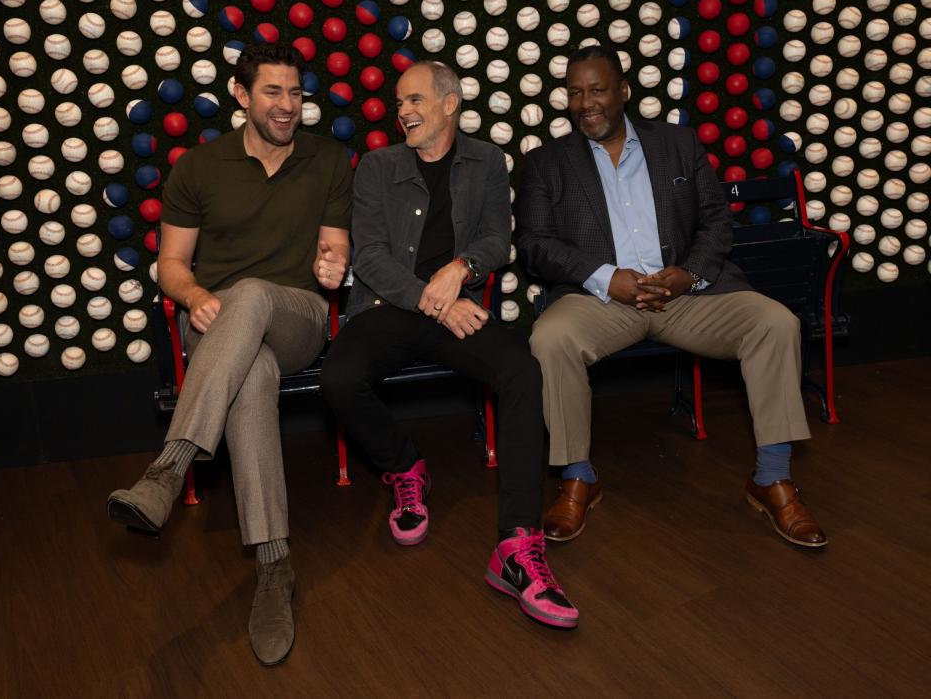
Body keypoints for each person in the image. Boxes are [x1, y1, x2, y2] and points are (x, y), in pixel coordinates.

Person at [516, 43, 827, 550]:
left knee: (776, 323)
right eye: (574, 93)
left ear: (624, 91)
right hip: (600, 301)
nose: (585, 103)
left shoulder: (678, 145)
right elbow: (533, 244)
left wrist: (688, 274)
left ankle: (772, 477)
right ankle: (578, 476)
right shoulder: (548, 163)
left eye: (597, 90)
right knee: (550, 338)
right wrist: (603, 275)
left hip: (687, 297)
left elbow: (715, 221)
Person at [107, 43, 353, 665]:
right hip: (218, 325)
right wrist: (192, 297)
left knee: (251, 296)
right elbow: (170, 265)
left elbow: (333, 251)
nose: (288, 106)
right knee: (252, 375)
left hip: (296, 314)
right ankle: (274, 565)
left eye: (296, 93)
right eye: (273, 92)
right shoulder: (198, 168)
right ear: (242, 96)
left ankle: (167, 470)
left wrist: (333, 263)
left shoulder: (327, 160)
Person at [319, 61, 579, 628]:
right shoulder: (377, 168)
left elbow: (497, 239)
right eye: (399, 103)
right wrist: (432, 297)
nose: (403, 111)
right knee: (338, 378)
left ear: (449, 104)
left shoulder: (486, 160)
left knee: (521, 372)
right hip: (392, 309)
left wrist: (461, 267)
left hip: (459, 311)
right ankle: (406, 468)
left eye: (414, 100)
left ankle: (517, 548)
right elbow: (367, 256)